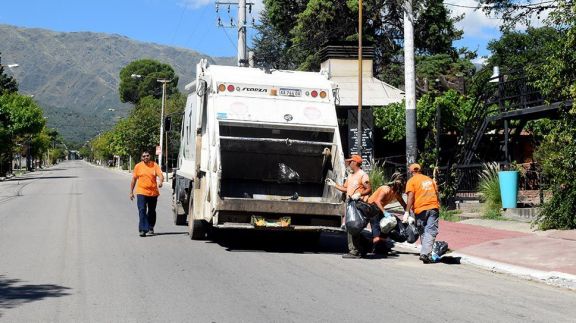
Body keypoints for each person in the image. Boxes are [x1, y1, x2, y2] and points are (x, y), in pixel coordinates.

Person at [326, 154, 372, 258]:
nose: (349, 163)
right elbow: (346, 188)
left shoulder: (362, 175)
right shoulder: (351, 176)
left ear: (355, 162)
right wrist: (334, 185)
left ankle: (354, 251)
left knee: (353, 226)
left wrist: (360, 194)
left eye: (351, 161)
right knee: (353, 227)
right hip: (350, 204)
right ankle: (361, 248)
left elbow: (369, 189)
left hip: (358, 205)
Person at [404, 163, 440, 264]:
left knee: (424, 230)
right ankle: (425, 254)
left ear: (411, 172)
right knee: (430, 230)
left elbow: (410, 197)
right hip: (433, 207)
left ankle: (425, 253)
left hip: (420, 210)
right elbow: (437, 193)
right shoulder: (429, 179)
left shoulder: (411, 181)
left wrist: (407, 211)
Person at [366, 175, 407, 252]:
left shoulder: (396, 193)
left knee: (387, 225)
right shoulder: (386, 189)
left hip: (379, 209)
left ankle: (380, 246)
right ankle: (365, 245)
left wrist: (408, 213)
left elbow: (403, 204)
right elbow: (377, 201)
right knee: (377, 233)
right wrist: (385, 212)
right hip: (371, 208)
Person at [129, 151, 164, 237]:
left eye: (147, 156)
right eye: (144, 156)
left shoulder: (154, 165)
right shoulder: (138, 166)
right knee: (142, 210)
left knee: (152, 211)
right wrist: (131, 192)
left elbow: (160, 175)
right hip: (141, 192)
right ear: (141, 158)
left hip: (153, 193)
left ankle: (151, 226)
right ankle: (142, 230)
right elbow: (134, 179)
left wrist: (160, 181)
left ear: (150, 156)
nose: (146, 157)